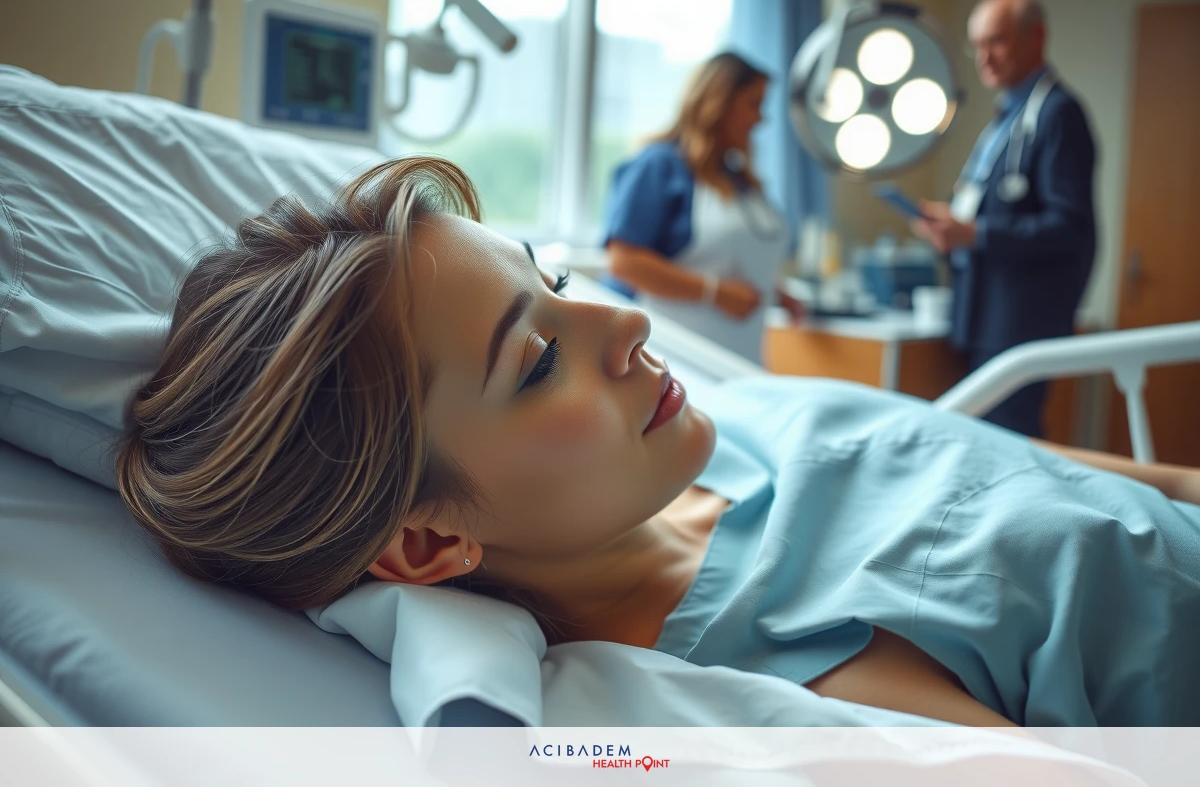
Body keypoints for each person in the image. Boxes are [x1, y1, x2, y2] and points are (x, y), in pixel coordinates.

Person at [117, 156, 1200, 728]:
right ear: (427, 543)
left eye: (555, 279)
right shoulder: (793, 654)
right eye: (537, 360)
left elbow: (1030, 465)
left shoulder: (722, 426)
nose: (626, 321)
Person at [910, 0, 1096, 438]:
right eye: (976, 45)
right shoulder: (1006, 119)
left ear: (1037, 37)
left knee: (1009, 445)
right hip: (980, 318)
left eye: (996, 42)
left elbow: (1069, 227)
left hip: (1018, 326)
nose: (984, 58)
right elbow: (989, 206)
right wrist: (951, 228)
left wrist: (976, 234)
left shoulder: (1058, 115)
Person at [601, 52, 803, 364]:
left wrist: (775, 293)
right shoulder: (660, 166)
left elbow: (724, 257)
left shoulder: (737, 179)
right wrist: (715, 293)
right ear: (718, 103)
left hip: (741, 358)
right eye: (753, 105)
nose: (761, 119)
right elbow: (623, 262)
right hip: (675, 360)